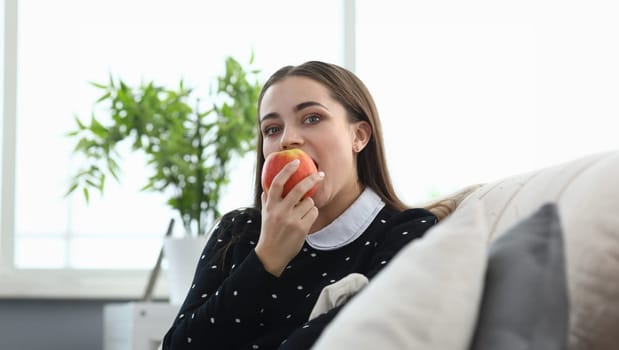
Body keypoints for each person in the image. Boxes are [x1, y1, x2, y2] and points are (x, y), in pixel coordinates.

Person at [161, 61, 438, 349]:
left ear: (359, 136)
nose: (287, 139)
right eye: (271, 129)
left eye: (312, 118)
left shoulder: (409, 233)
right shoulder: (237, 231)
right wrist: (266, 259)